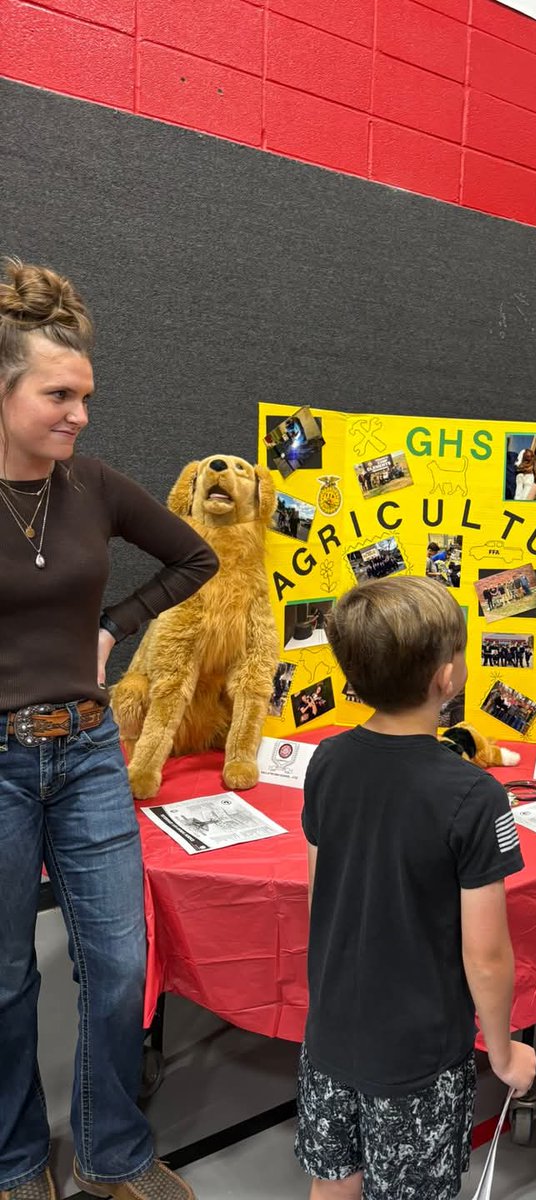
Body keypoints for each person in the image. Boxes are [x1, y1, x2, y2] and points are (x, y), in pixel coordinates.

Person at [0, 260, 218, 1200]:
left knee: (121, 963)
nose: (79, 412)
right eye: (58, 394)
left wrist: (112, 627)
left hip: (88, 752)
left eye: (85, 394)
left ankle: (109, 1154)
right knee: (4, 982)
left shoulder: (91, 485)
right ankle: (13, 1161)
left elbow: (194, 556)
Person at [295, 576, 536, 1199]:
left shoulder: (326, 761)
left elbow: (324, 889)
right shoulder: (475, 796)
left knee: (334, 1181)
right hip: (418, 1055)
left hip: (330, 1033)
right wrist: (506, 1051)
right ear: (447, 677)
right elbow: (485, 955)